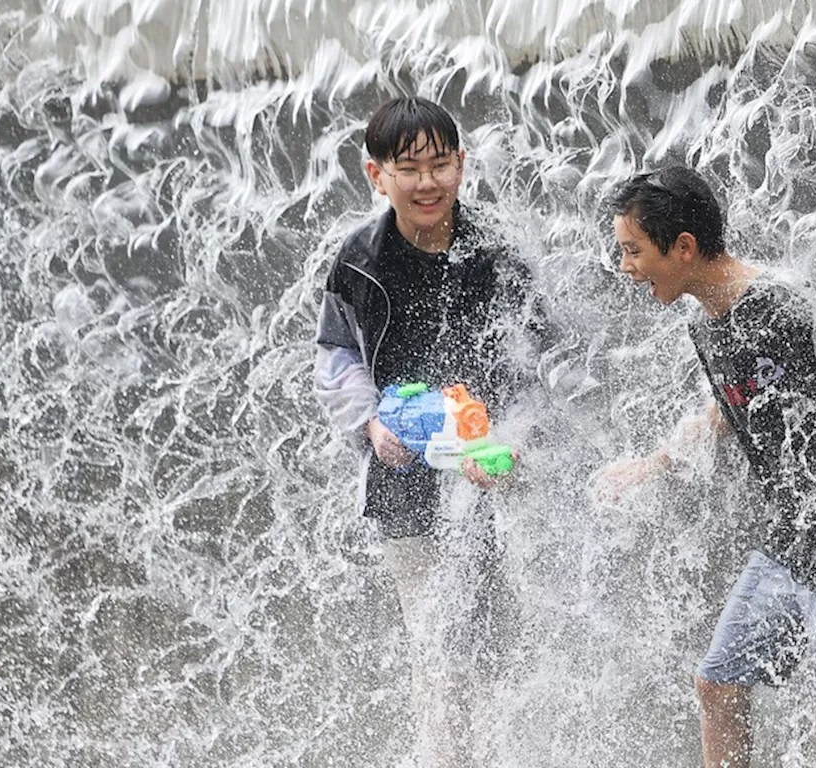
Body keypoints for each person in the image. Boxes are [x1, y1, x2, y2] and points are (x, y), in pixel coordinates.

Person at [594, 166, 816, 768]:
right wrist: (659, 460)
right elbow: (727, 400)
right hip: (791, 534)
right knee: (717, 682)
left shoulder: (778, 307)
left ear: (682, 248)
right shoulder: (706, 319)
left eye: (632, 251)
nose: (625, 266)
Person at [313, 96, 539, 764]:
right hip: (405, 484)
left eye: (441, 164)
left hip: (493, 486)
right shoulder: (357, 260)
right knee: (437, 656)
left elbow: (540, 367)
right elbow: (337, 359)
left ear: (462, 165)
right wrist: (372, 422)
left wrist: (510, 445)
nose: (428, 182)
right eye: (409, 168)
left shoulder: (496, 252)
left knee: (500, 651)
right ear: (375, 175)